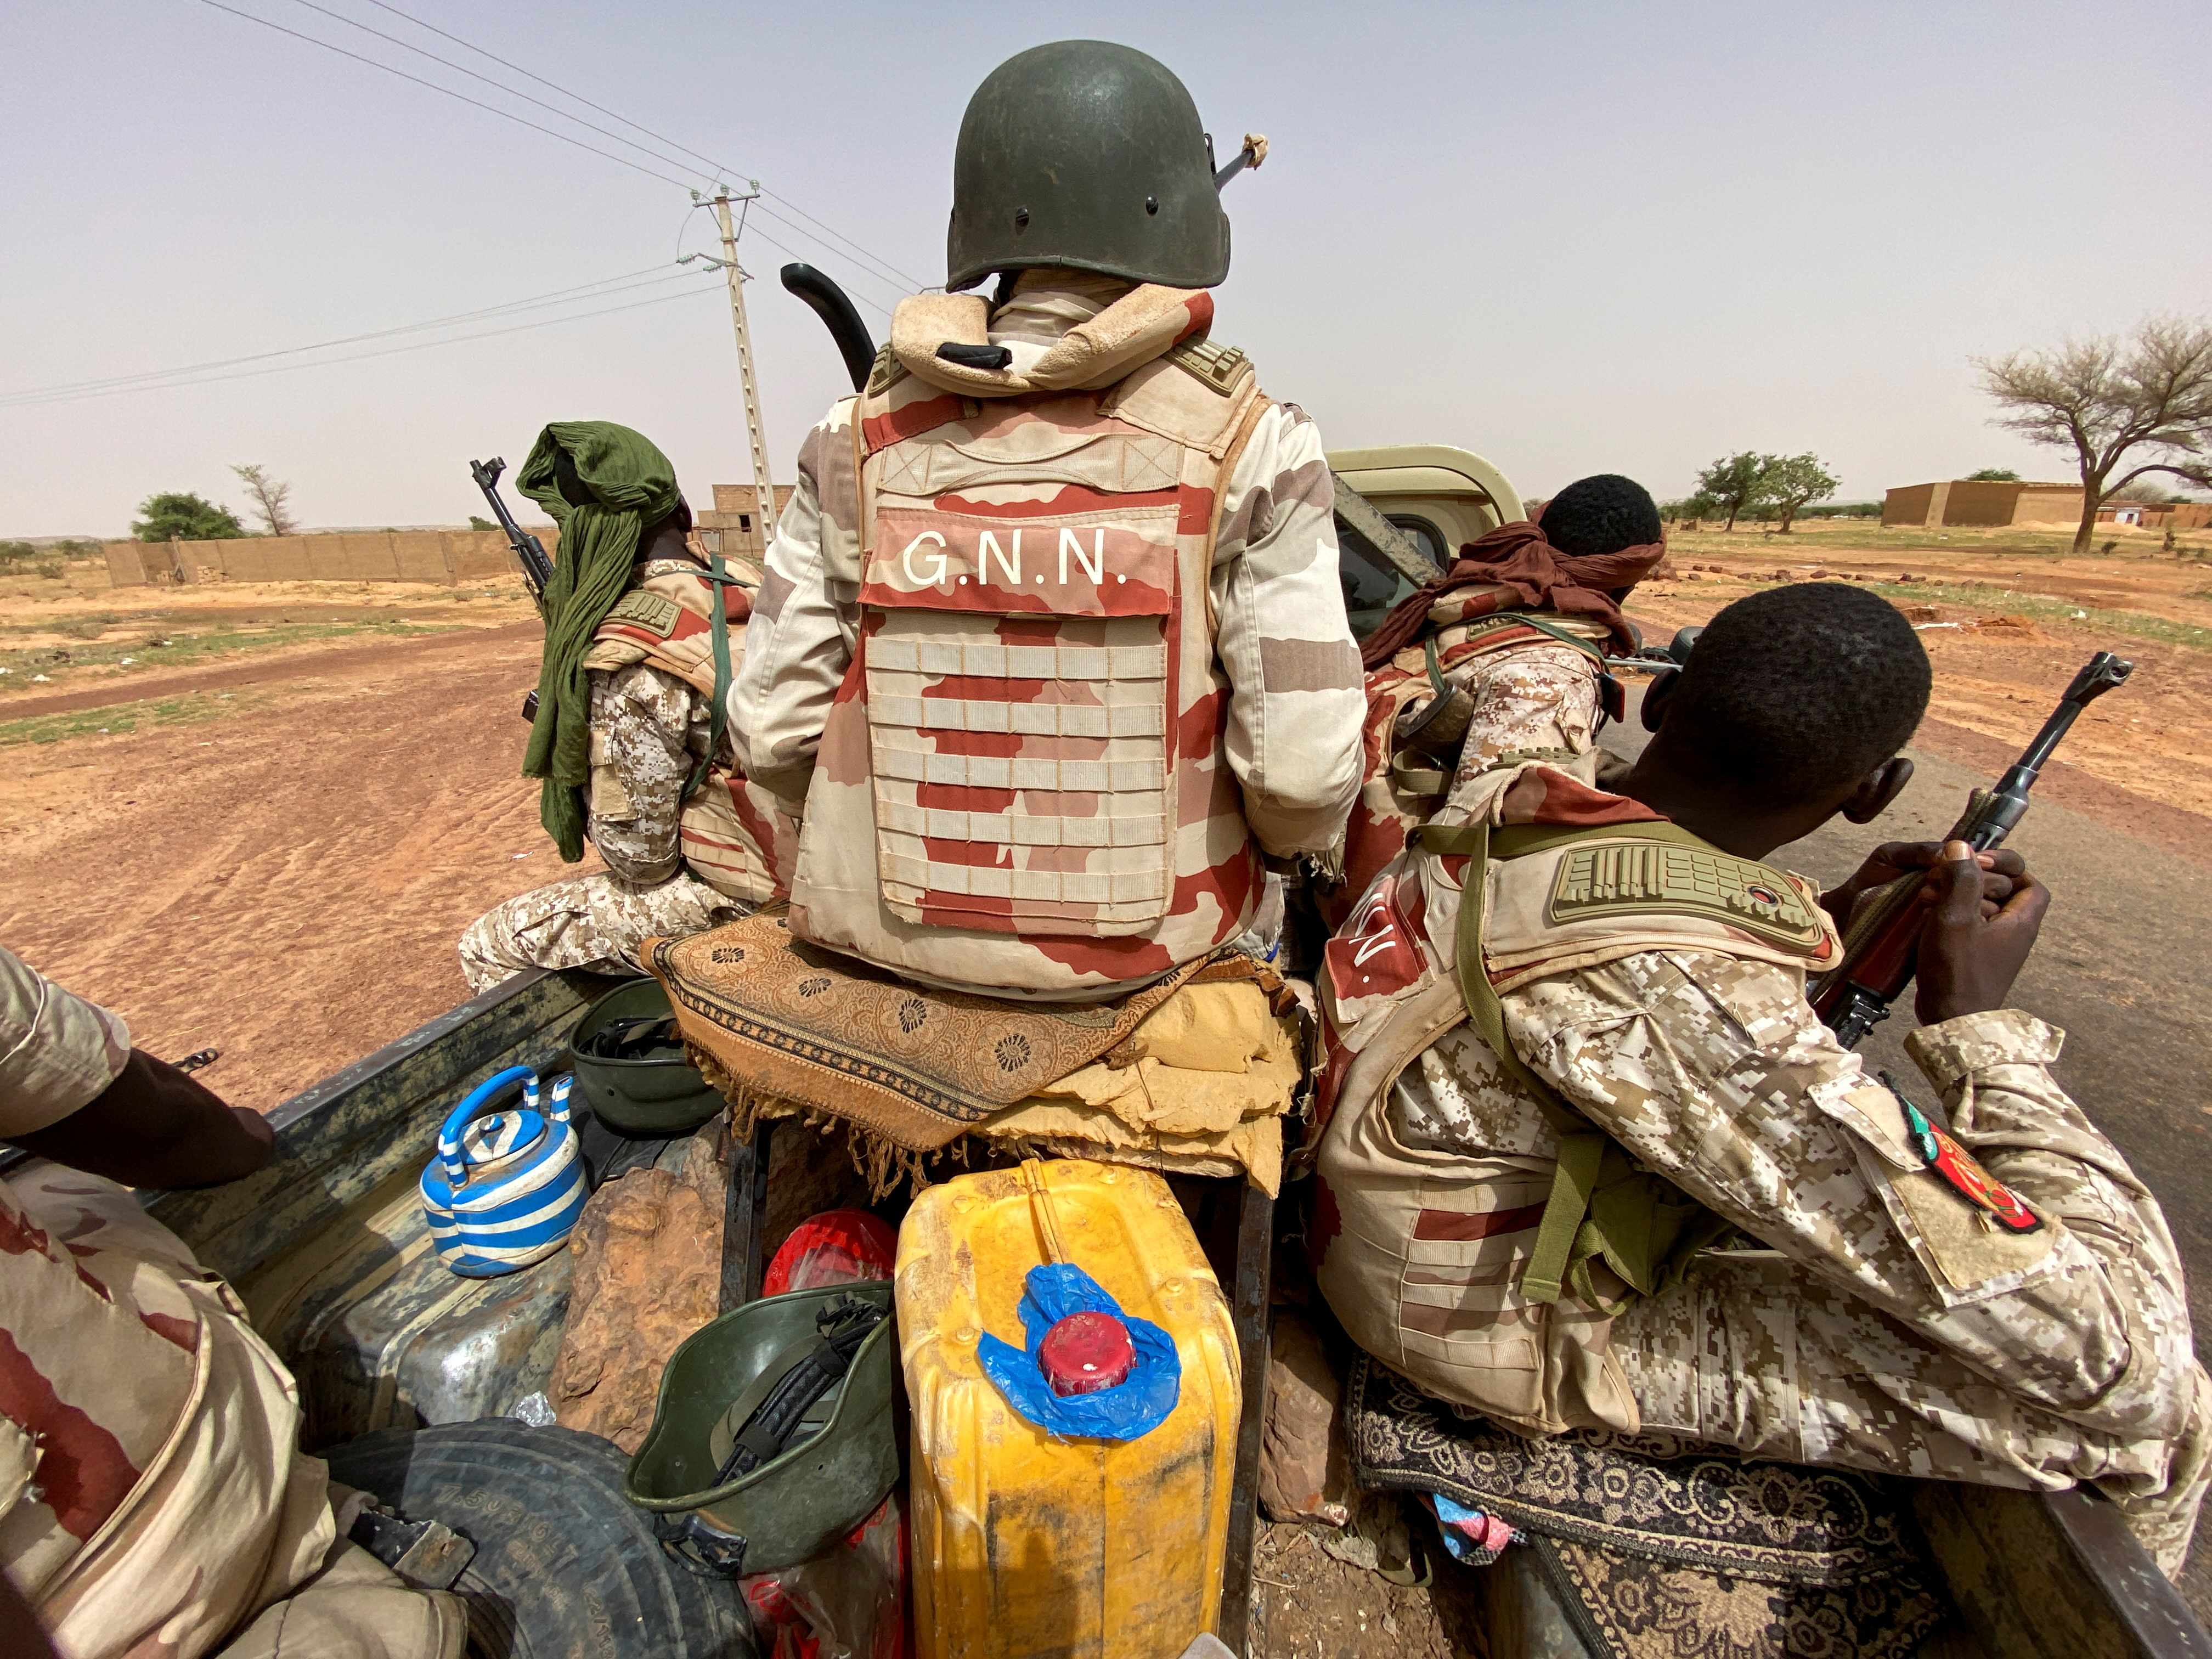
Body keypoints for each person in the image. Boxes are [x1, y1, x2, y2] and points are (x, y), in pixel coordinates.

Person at [1310, 582, 2208, 1576]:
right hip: (1469, 1325)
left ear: (1658, 703)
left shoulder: (1518, 795)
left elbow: (1627, 948)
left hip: (1390, 1232)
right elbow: (2126, 1364)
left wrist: (1830, 913)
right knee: (2151, 1427)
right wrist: (1977, 1029)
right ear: (1875, 787)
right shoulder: (1688, 997)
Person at [731, 40, 1365, 1001]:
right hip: (1155, 977)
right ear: (1181, 211)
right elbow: (1303, 776)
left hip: (882, 962)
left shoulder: (854, 435)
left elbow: (772, 732)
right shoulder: (1253, 440)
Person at [0, 946, 464, 1657]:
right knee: (63, 1190)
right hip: (188, 1547)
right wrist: (242, 1136)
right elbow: (156, 1127)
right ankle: (267, 1526)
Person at [459, 421, 793, 992]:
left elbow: (643, 861)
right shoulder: (753, 587)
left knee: (491, 943)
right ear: (683, 511)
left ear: (583, 538)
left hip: (753, 894)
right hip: (822, 862)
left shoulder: (631, 653)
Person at [1325, 473, 1668, 923]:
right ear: (1631, 576)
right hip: (1389, 922)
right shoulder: (1548, 674)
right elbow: (1493, 855)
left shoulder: (1463, 612)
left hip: (1346, 882)